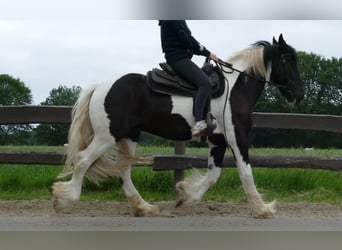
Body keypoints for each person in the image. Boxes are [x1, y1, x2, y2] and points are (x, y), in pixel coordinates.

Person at [159, 20, 219, 137]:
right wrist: (208, 53)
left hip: (176, 57)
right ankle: (199, 122)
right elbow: (187, 40)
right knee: (205, 83)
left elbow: (187, 40)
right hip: (178, 59)